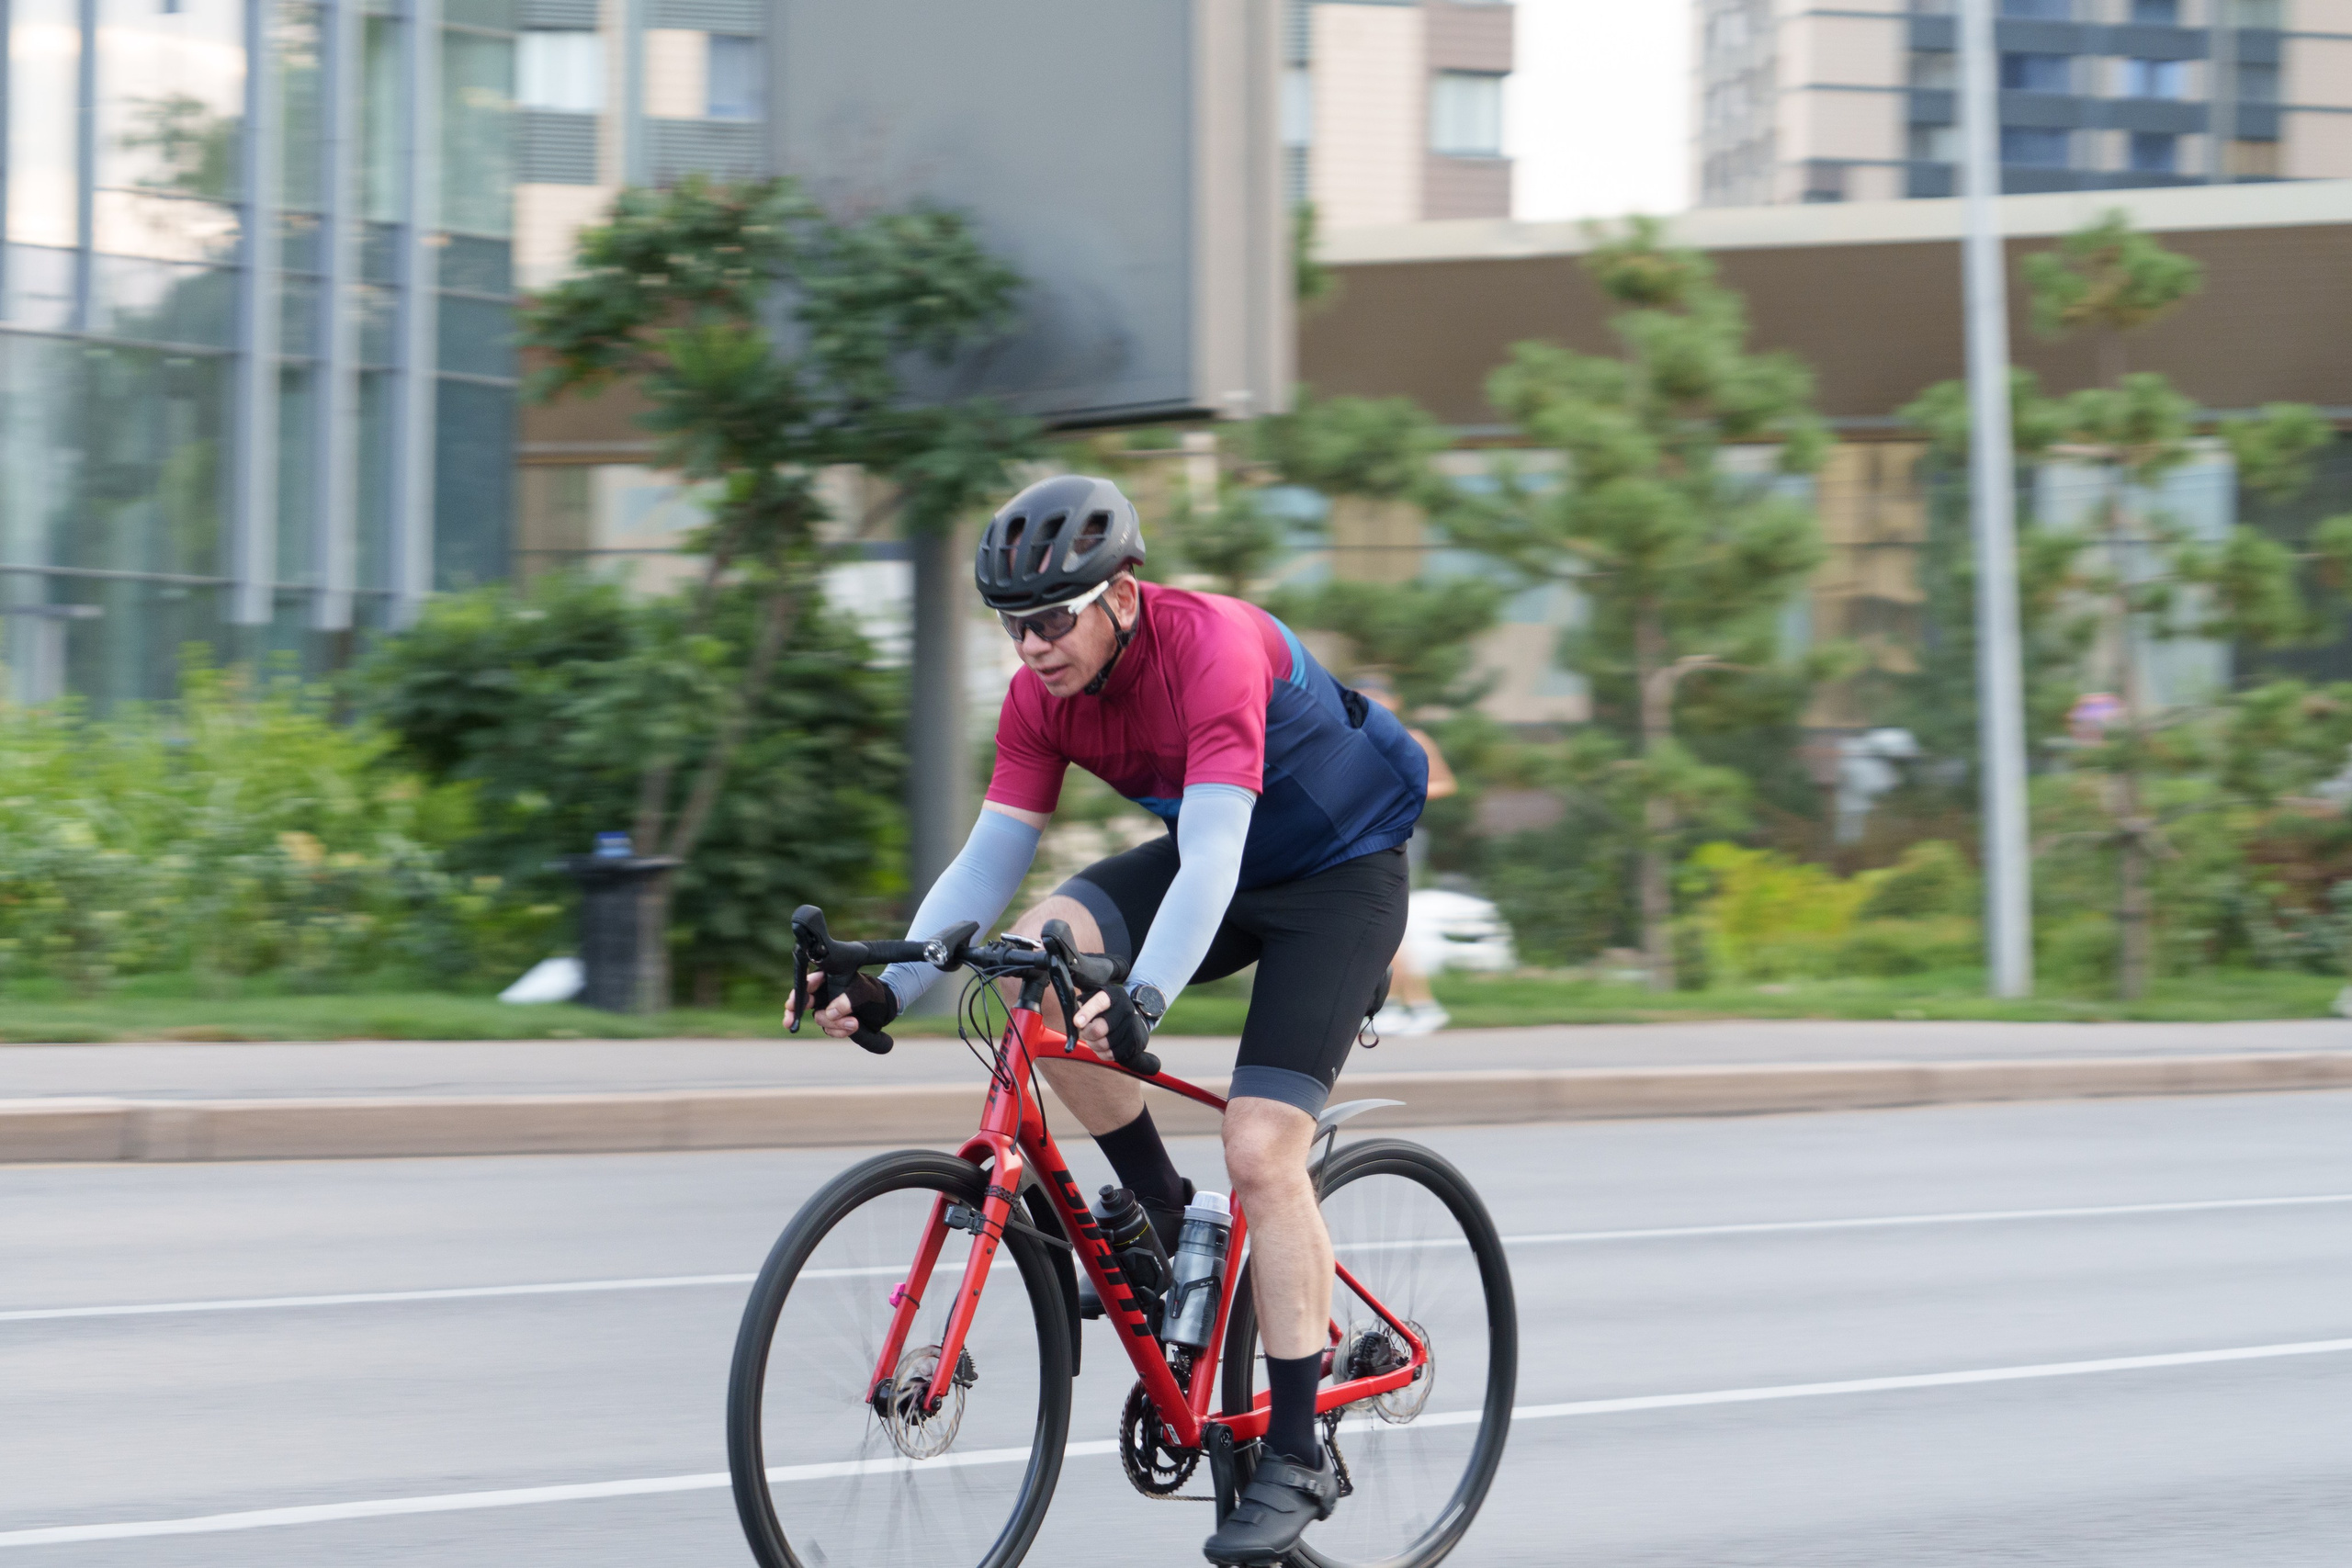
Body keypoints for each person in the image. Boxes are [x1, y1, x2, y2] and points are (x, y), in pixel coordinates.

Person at [789, 474, 1426, 1565]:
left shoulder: (1211, 648)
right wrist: (894, 976)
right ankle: (1165, 1215)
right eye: (1011, 625)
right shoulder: (1041, 693)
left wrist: (1139, 1004)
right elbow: (991, 856)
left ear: (1121, 594)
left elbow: (1217, 855)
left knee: (1263, 1146)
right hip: (1213, 865)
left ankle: (1297, 1448)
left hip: (1335, 877)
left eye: (1049, 619)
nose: (1030, 646)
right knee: (1042, 963)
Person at [1358, 678, 1457, 1037]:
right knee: (1387, 928)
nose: (1374, 702)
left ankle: (1416, 1005)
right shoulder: (1357, 737)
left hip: (1402, 835)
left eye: (1379, 695)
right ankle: (1407, 1006)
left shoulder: (1413, 737)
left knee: (1389, 925)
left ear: (1395, 700)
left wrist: (1403, 793)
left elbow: (1446, 783)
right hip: (1369, 838)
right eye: (1365, 696)